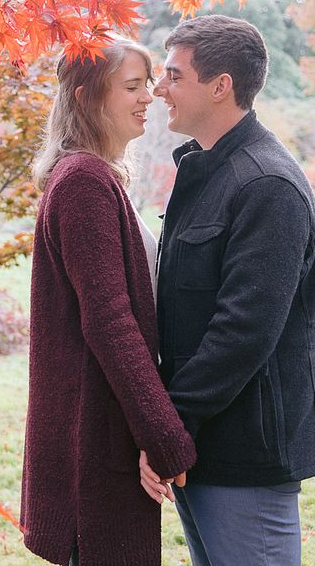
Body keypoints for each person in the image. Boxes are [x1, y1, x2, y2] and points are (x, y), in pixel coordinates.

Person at [141, 15, 315, 566]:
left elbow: (243, 330)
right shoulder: (210, 171)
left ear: (220, 85)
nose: (160, 88)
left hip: (246, 451)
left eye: (173, 75)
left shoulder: (265, 185)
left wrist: (173, 424)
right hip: (205, 443)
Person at [21, 38, 197, 566]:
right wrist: (165, 436)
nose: (148, 96)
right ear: (87, 96)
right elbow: (110, 321)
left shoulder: (96, 177)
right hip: (90, 436)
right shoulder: (82, 183)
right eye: (131, 86)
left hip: (104, 430)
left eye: (147, 83)